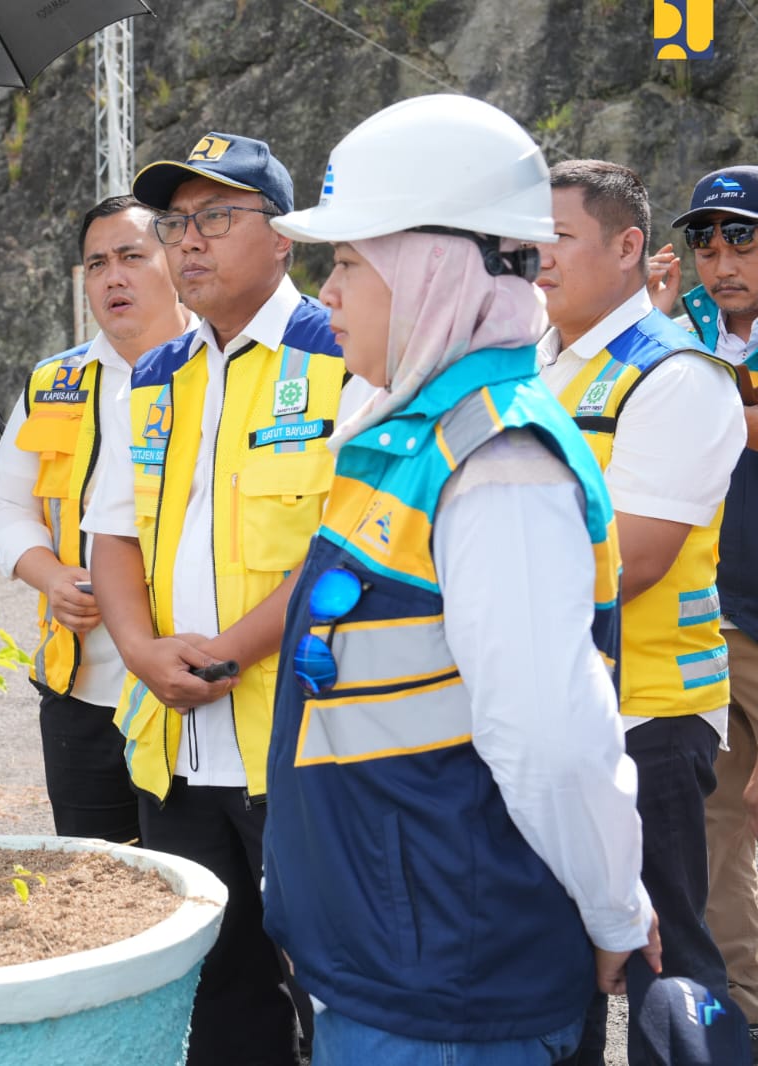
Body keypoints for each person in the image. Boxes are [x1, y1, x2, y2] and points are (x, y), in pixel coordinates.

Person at [262, 92, 660, 1065]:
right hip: (395, 961)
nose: (328, 295)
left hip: (452, 988)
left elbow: (550, 738)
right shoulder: (412, 439)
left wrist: (615, 911)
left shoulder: (497, 461)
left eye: (349, 262)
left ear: (429, 269)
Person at [80, 132, 347, 1065]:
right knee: (220, 993)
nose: (189, 242)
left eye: (217, 218)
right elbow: (112, 533)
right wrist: (143, 652)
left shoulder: (341, 355)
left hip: (301, 738)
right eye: (177, 223)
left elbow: (346, 545)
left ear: (285, 238)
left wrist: (232, 648)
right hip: (177, 743)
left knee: (330, 980)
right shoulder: (154, 375)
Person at [535, 158, 747, 1065]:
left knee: (671, 962)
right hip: (549, 706)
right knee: (553, 954)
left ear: (628, 248)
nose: (536, 259)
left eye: (559, 239)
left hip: (648, 714)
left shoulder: (675, 375)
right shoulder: (526, 365)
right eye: (528, 240)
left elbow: (635, 560)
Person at [0, 194, 194, 844]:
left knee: (203, 892)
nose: (112, 277)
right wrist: (51, 578)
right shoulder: (56, 382)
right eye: (96, 264)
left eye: (132, 256)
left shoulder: (221, 370)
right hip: (81, 693)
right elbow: (3, 502)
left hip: (187, 688)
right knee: (93, 890)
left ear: (175, 259)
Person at [656, 165, 758, 1058]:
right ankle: (742, 1011)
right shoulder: (682, 337)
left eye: (743, 238)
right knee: (716, 834)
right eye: (706, 240)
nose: (722, 259)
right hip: (717, 624)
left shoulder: (696, 353)